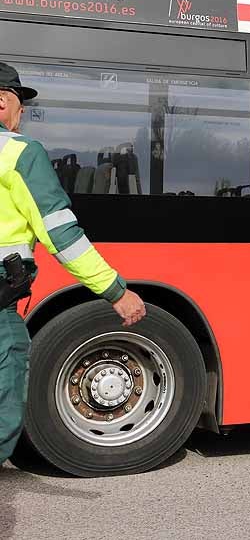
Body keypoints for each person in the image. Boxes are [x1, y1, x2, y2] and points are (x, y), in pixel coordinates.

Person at [0, 62, 146, 467]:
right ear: (2, 101)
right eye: (20, 105)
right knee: (3, 396)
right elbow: (60, 234)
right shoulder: (16, 152)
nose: (21, 115)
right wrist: (116, 291)